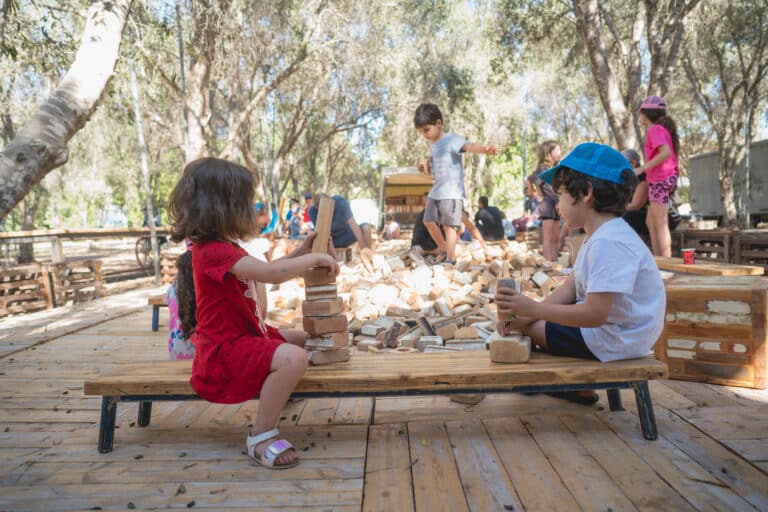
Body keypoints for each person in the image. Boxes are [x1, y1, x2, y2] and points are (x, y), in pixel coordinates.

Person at [167, 157, 339, 469]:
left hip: (246, 335)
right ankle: (261, 435)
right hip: (225, 351)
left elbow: (266, 271)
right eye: (246, 202)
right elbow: (272, 274)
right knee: (295, 357)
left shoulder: (224, 246)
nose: (252, 209)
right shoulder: (212, 251)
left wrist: (305, 248)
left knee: (306, 338)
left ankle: (279, 387)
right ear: (222, 207)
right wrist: (314, 258)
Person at [495, 143, 664, 405]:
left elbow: (594, 314)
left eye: (561, 195)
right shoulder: (600, 236)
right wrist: (526, 314)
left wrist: (532, 313)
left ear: (585, 193)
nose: (558, 204)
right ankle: (578, 387)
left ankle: (571, 386)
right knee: (532, 325)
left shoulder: (609, 243)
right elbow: (570, 289)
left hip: (617, 339)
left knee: (536, 329)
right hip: (616, 332)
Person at [414, 103, 499, 265]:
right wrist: (422, 168)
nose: (424, 134)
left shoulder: (451, 140)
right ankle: (445, 249)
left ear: (438, 123)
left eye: (426, 130)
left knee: (449, 225)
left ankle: (450, 259)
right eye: (421, 132)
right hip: (436, 190)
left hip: (451, 191)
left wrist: (485, 150)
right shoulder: (432, 144)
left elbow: (469, 146)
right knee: (428, 221)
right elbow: (432, 171)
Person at [636, 95, 680, 257]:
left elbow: (666, 153)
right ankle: (658, 259)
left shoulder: (655, 129)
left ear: (646, 114)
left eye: (639, 113)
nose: (639, 117)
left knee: (660, 222)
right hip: (659, 179)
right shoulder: (659, 129)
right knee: (651, 221)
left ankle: (665, 262)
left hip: (661, 179)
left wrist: (641, 169)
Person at [621, 149, 680, 242]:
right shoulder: (631, 180)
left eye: (621, 163)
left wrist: (614, 208)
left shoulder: (643, 179)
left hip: (669, 218)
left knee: (629, 216)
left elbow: (636, 205)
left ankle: (634, 249)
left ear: (632, 163)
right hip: (656, 217)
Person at [526, 140, 563, 261]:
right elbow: (529, 180)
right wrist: (537, 196)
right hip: (547, 205)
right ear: (549, 153)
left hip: (557, 204)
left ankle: (554, 260)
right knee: (548, 236)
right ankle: (548, 261)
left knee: (556, 236)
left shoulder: (557, 168)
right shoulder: (543, 169)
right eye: (557, 150)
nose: (560, 152)